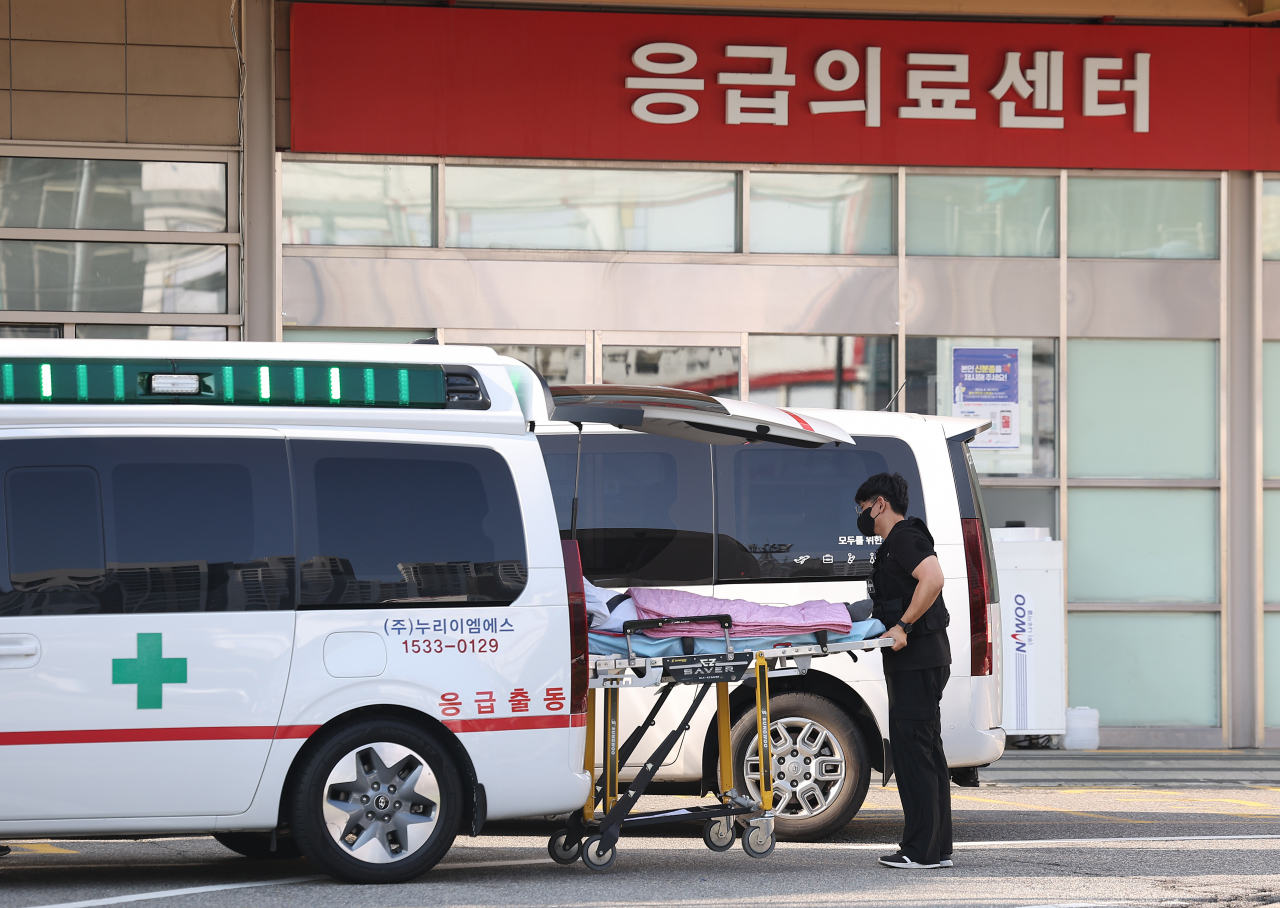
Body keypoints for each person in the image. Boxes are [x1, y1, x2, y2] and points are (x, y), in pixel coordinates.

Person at [855, 471, 953, 870]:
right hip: (921, 662)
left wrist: (905, 625)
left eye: (861, 508)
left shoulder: (904, 537)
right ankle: (937, 849)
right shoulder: (894, 544)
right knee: (926, 753)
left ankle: (920, 852)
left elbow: (933, 578)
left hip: (917, 661)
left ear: (879, 503)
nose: (860, 516)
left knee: (915, 755)